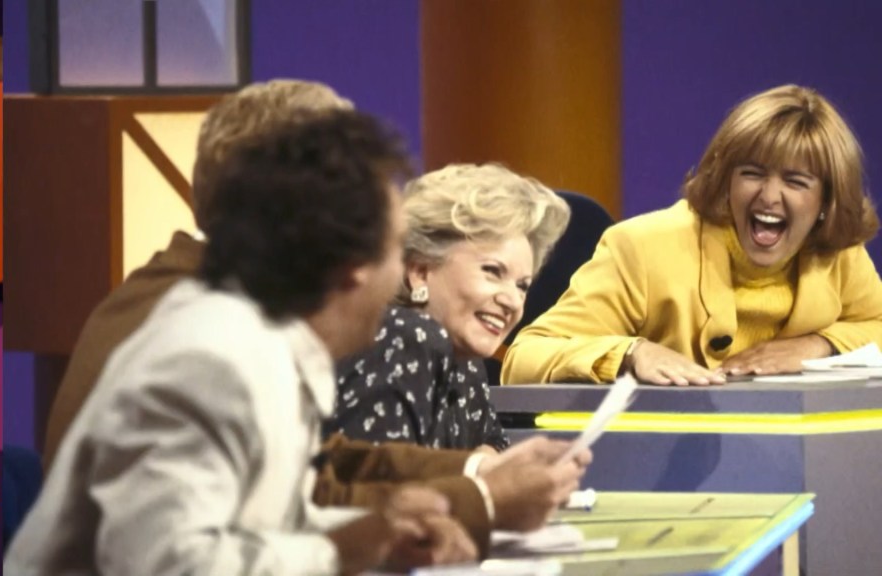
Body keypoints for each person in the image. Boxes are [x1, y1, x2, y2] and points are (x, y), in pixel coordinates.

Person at [38, 79, 589, 558]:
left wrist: (475, 481)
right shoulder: (206, 341)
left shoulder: (234, 304)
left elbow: (312, 470)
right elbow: (183, 560)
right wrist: (469, 505)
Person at [5, 111, 484, 575]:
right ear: (353, 266)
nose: (403, 272)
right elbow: (167, 565)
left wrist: (382, 534)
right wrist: (339, 551)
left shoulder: (271, 345)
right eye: (396, 248)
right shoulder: (210, 359)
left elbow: (268, 525)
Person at [502, 84, 882, 386]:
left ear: (826, 200)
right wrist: (631, 353)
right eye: (751, 173)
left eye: (795, 181)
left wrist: (817, 346)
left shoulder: (836, 251)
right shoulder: (643, 247)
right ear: (726, 180)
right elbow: (524, 357)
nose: (768, 196)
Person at [325, 164, 570, 450]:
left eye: (522, 286)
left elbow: (493, 442)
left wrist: (488, 460)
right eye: (492, 271)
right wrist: (482, 470)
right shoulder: (401, 338)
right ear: (420, 271)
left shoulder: (465, 361)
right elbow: (385, 475)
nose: (513, 301)